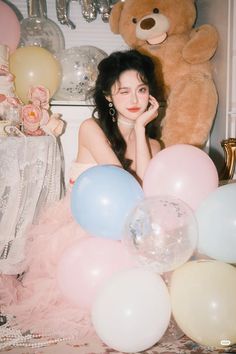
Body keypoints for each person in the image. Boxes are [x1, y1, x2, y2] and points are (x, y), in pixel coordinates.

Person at [0, 49, 164, 343]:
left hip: (129, 227)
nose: (135, 100)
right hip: (84, 229)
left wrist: (140, 130)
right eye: (124, 91)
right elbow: (126, 187)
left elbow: (148, 195)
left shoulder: (153, 143)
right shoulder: (91, 128)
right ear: (108, 96)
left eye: (141, 89)